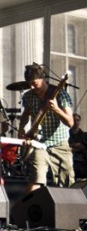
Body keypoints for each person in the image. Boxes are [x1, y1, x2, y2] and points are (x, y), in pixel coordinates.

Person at [18, 63, 75, 192]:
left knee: (66, 181)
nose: (32, 87)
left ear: (42, 79)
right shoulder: (28, 96)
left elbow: (70, 122)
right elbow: (25, 115)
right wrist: (21, 129)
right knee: (36, 177)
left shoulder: (61, 95)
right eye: (29, 84)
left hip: (59, 144)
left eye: (34, 83)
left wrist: (56, 109)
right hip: (39, 144)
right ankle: (30, 206)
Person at [69, 113, 87, 179]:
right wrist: (77, 145)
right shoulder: (67, 135)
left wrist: (71, 146)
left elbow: (83, 146)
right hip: (71, 161)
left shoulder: (84, 135)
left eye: (78, 120)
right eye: (74, 120)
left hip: (82, 163)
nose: (76, 122)